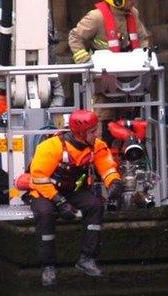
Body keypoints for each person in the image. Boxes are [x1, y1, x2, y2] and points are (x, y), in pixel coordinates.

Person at [28, 109, 125, 286]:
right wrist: (60, 202)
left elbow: (106, 166)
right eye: (92, 131)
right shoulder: (51, 146)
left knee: (95, 206)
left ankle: (87, 258)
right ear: (80, 133)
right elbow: (38, 178)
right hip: (44, 191)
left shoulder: (96, 146)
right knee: (45, 214)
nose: (97, 134)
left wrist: (114, 183)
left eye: (96, 129)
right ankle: (48, 266)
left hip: (72, 190)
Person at [68, 0, 150, 126]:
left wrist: (145, 59)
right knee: (101, 121)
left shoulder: (133, 15)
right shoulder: (96, 17)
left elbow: (142, 38)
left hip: (129, 80)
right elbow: (75, 37)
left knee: (129, 122)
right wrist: (85, 62)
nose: (134, 1)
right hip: (102, 82)